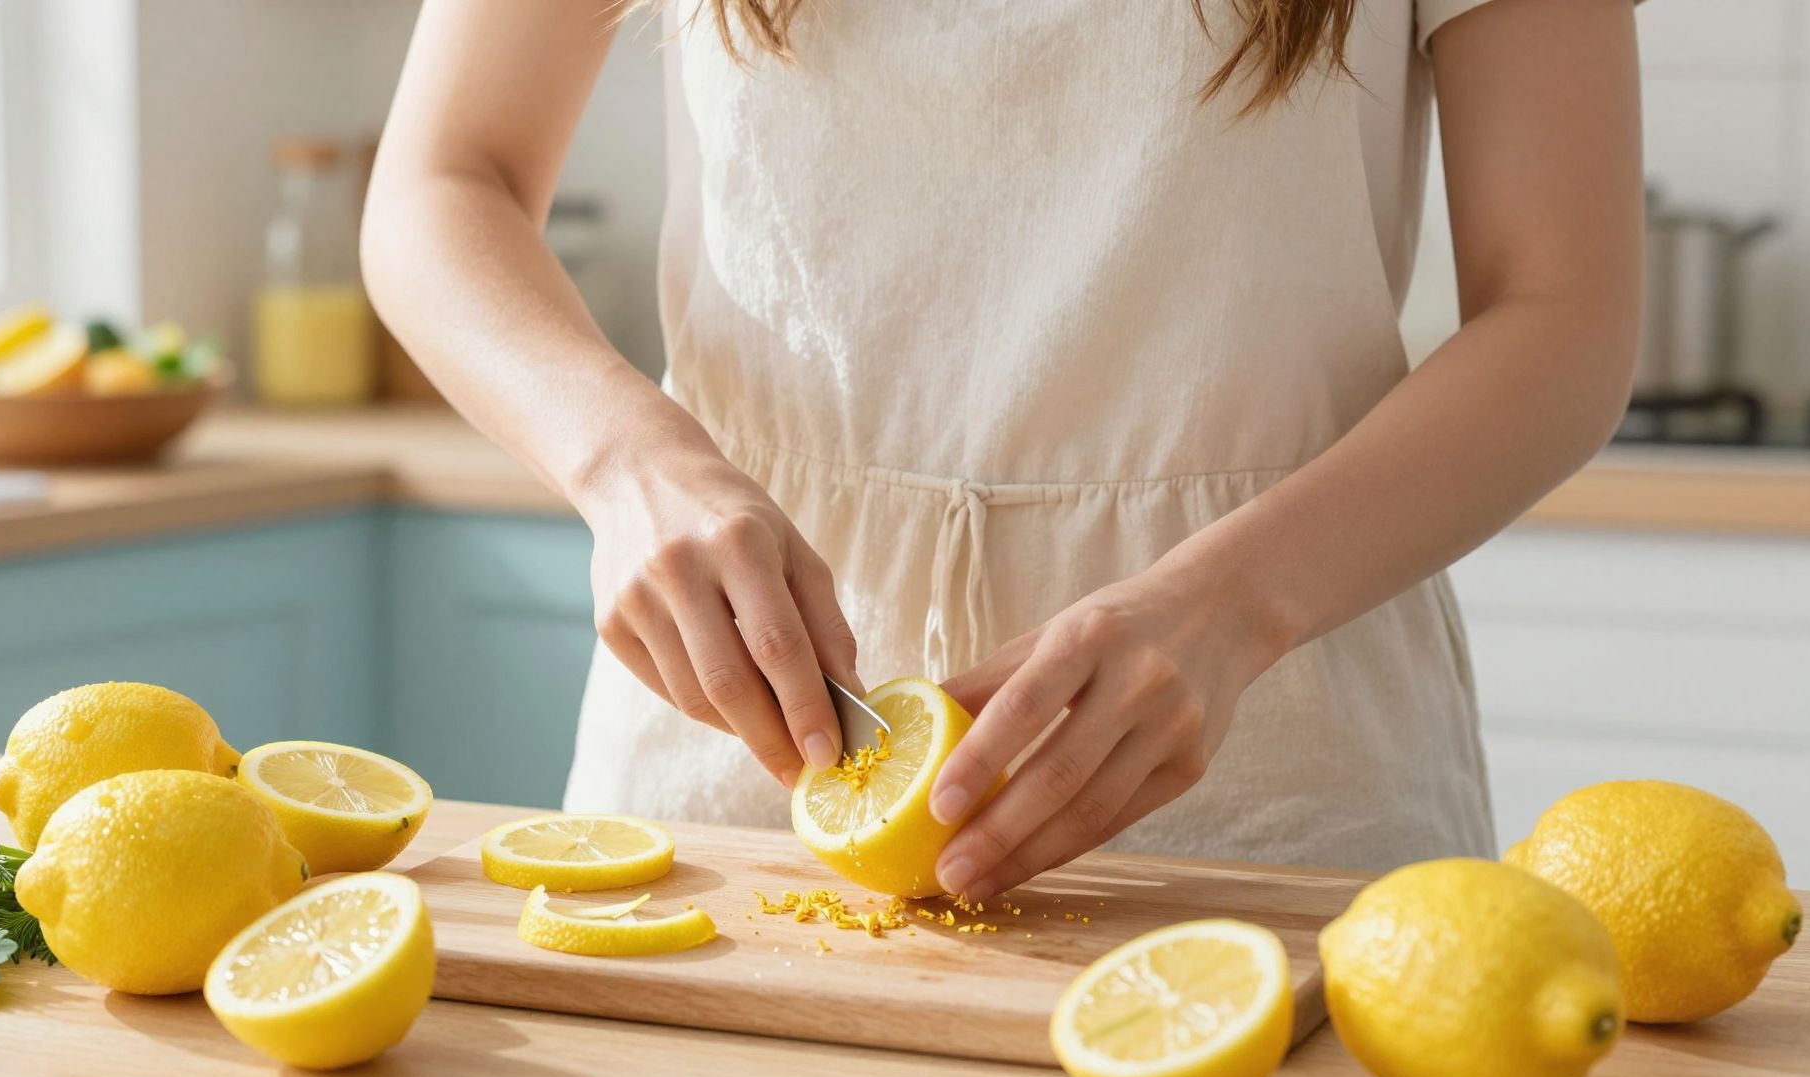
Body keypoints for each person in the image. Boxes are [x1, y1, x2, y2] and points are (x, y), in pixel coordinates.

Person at [364, 0, 1642, 901]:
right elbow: (443, 181)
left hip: (1270, 753)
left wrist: (1233, 605)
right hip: (732, 732)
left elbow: (1563, 311)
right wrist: (626, 463)